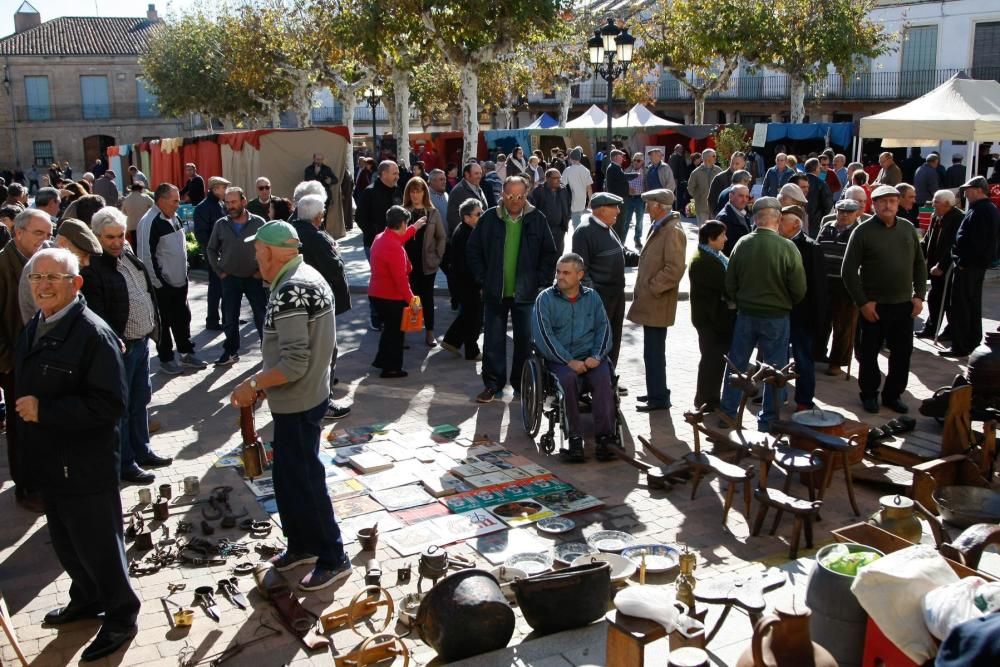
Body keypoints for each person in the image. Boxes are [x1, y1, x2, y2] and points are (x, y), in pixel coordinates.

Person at [16, 247, 141, 661]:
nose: (44, 285)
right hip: (52, 461)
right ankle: (86, 600)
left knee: (99, 547)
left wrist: (44, 410)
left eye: (54, 278)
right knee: (68, 543)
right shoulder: (38, 323)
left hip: (85, 466)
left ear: (76, 284)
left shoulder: (93, 333)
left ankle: (122, 615)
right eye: (37, 278)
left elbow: (110, 405)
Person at [230, 221, 352, 591]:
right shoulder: (302, 275)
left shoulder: (291, 287)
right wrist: (269, 383)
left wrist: (253, 383)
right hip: (302, 397)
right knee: (288, 480)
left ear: (272, 252)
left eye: (258, 250)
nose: (255, 256)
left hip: (300, 401)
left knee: (304, 482)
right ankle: (301, 547)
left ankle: (333, 557)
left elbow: (296, 361)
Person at [85, 208, 171, 485]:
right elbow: (97, 313)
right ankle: (125, 463)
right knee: (121, 407)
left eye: (120, 235)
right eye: (109, 237)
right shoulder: (93, 268)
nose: (116, 241)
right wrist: (114, 343)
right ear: (97, 236)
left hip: (142, 342)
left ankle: (141, 451)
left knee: (140, 401)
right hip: (120, 348)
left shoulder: (128, 257)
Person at [467, 176, 558, 403]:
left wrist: (540, 281)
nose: (515, 200)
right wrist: (482, 278)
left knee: (525, 341)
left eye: (520, 195)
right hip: (495, 292)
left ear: (526, 195)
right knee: (492, 341)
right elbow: (473, 250)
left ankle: (521, 384)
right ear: (502, 195)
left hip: (526, 293)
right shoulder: (489, 218)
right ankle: (492, 385)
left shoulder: (537, 219)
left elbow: (549, 253)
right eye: (510, 195)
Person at [719, 197, 806, 431]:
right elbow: (799, 288)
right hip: (776, 316)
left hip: (746, 314)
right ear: (778, 219)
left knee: (737, 364)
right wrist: (784, 302)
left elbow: (730, 282)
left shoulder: (742, 244)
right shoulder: (787, 247)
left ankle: (727, 411)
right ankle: (769, 419)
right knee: (775, 369)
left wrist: (740, 301)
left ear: (755, 219)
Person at [842, 185, 927, 414]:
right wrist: (862, 302)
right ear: (874, 204)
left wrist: (919, 296)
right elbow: (848, 271)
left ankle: (893, 395)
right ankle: (869, 394)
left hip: (903, 305)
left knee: (902, 354)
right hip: (874, 306)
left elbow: (920, 264)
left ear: (898, 203)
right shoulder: (863, 232)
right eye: (883, 201)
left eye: (892, 201)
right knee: (868, 354)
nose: (888, 205)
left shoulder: (908, 229)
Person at [532, 253, 616, 463]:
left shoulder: (592, 298)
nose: (560, 276)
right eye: (558, 271)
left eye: (566, 273)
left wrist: (596, 356)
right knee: (567, 381)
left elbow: (604, 329)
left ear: (579, 275)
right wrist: (569, 360)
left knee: (604, 379)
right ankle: (574, 438)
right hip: (560, 360)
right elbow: (544, 336)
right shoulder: (545, 299)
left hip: (591, 357)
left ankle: (605, 438)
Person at [1, 208, 53, 511]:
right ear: (17, 232)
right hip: (16, 364)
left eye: (47, 234)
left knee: (40, 425)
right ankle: (27, 489)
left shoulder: (41, 260)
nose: (44, 240)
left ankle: (42, 482)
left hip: (41, 360)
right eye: (38, 233)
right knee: (22, 431)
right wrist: (7, 362)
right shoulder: (3, 265)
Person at [626, 190, 688, 413]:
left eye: (649, 204)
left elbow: (675, 269)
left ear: (659, 206)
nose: (646, 208)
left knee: (654, 352)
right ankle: (656, 392)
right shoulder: (662, 225)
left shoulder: (672, 230)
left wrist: (653, 287)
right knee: (651, 352)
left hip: (658, 301)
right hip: (653, 300)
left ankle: (659, 397)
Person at [137, 184, 208, 375]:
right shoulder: (149, 222)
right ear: (161, 200)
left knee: (182, 318)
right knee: (163, 322)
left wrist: (184, 272)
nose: (179, 204)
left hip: (180, 282)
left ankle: (186, 353)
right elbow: (145, 257)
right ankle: (166, 359)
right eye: (175, 200)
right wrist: (159, 284)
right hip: (162, 286)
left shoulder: (174, 217)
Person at [572, 192, 640, 369]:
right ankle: (596, 382)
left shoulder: (607, 226)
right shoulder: (584, 231)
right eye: (614, 207)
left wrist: (642, 257)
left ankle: (610, 377)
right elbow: (580, 270)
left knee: (614, 338)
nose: (618, 211)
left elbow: (622, 252)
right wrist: (593, 297)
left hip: (616, 294)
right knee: (599, 341)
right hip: (601, 297)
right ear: (601, 210)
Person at [207, 187, 267, 366]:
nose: (230, 206)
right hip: (230, 278)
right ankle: (230, 351)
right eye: (227, 202)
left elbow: (268, 249)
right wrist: (220, 272)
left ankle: (269, 351)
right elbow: (211, 249)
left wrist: (261, 272)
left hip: (253, 278)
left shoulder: (259, 223)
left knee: (261, 315)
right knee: (229, 317)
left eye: (233, 202)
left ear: (243, 201)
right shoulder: (221, 224)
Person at [942, 177, 1000, 357]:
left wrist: (964, 262)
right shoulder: (983, 209)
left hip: (970, 265)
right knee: (970, 304)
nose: (965, 193)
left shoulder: (983, 210)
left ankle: (962, 344)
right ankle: (970, 341)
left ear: (978, 190)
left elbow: (979, 241)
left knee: (963, 305)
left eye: (968, 189)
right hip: (974, 264)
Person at [778, 205, 827, 410]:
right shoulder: (777, 243)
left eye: (782, 221)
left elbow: (818, 287)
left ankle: (804, 400)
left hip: (802, 315)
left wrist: (819, 319)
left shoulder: (811, 247)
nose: (778, 225)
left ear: (796, 224)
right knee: (777, 359)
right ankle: (775, 396)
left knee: (802, 359)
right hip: (779, 313)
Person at [368, 206, 424, 378]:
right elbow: (401, 281)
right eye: (406, 224)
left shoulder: (381, 237)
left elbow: (400, 236)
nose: (407, 226)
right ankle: (391, 368)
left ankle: (382, 361)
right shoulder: (394, 247)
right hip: (390, 297)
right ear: (401, 223)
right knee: (395, 334)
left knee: (389, 331)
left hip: (377, 294)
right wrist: (413, 301)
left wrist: (415, 227)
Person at [688, 221, 735, 411]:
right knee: (711, 361)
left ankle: (710, 397)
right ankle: (705, 400)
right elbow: (727, 287)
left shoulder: (714, 256)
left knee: (715, 360)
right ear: (711, 238)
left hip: (714, 318)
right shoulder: (704, 261)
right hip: (711, 320)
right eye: (722, 235)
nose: (726, 239)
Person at [816, 199, 863, 377]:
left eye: (848, 212)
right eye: (841, 211)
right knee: (821, 322)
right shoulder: (827, 226)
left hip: (846, 285)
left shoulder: (859, 231)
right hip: (825, 282)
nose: (844, 215)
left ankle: (837, 362)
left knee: (843, 326)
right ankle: (818, 354)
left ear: (856, 213)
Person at [356, 161, 402, 330]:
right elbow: (360, 218)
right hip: (374, 245)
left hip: (397, 244)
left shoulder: (398, 191)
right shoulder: (369, 192)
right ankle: (376, 315)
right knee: (379, 279)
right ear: (383, 174)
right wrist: (376, 234)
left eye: (397, 173)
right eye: (394, 173)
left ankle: (389, 313)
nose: (397, 176)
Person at [402, 177, 447, 347]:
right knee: (407, 297)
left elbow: (441, 236)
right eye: (412, 191)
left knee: (427, 298)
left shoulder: (432, 212)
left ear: (424, 193)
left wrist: (437, 256)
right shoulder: (404, 211)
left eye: (418, 191)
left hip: (427, 263)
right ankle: (404, 333)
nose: (415, 195)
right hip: (407, 263)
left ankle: (429, 332)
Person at [917, 190, 964, 340]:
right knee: (934, 298)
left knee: (949, 300)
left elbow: (954, 245)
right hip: (934, 265)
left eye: (936, 202)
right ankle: (931, 327)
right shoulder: (935, 216)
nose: (933, 205)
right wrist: (917, 254)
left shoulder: (958, 218)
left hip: (948, 267)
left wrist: (942, 265)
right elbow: (928, 239)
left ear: (947, 204)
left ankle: (951, 330)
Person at [441, 199, 484, 361]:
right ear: (467, 217)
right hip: (467, 282)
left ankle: (451, 341)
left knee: (468, 314)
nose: (481, 216)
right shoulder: (466, 234)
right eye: (478, 214)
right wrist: (479, 282)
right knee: (474, 317)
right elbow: (469, 263)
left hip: (464, 281)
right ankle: (471, 350)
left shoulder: (467, 230)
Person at [193, 176, 230, 331]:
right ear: (215, 188)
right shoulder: (203, 207)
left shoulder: (220, 205)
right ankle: (213, 320)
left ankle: (228, 318)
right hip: (214, 254)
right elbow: (201, 234)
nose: (226, 191)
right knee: (216, 287)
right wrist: (214, 251)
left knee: (225, 287)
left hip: (223, 252)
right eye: (224, 187)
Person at [530, 168, 572, 256]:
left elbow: (568, 205)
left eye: (560, 177)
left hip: (560, 229)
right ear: (547, 178)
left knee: (559, 252)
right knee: (546, 254)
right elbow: (533, 210)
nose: (559, 180)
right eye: (555, 177)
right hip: (545, 230)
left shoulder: (563, 190)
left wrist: (567, 219)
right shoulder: (539, 191)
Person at [446, 162, 487, 238]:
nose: (479, 176)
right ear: (467, 174)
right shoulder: (458, 191)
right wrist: (468, 235)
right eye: (476, 173)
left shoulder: (478, 188)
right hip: (466, 239)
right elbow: (452, 218)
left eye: (480, 173)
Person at [688, 148, 722, 224]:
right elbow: (690, 188)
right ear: (707, 158)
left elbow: (723, 186)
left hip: (715, 207)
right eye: (714, 156)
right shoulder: (696, 172)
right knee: (703, 231)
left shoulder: (719, 171)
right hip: (702, 207)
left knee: (715, 231)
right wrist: (698, 197)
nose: (715, 158)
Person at [716, 184, 752, 256]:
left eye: (747, 197)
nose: (744, 200)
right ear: (731, 196)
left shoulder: (743, 213)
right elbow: (724, 248)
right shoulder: (724, 218)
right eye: (741, 196)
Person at [708, 151, 746, 218]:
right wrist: (716, 216)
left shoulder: (746, 177)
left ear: (744, 164)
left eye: (737, 164)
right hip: (724, 217)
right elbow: (712, 200)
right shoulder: (720, 178)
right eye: (732, 163)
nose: (734, 166)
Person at [563, 147, 593, 227]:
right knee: (577, 219)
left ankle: (578, 238)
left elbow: (562, 185)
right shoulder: (586, 170)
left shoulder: (568, 170)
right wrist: (590, 200)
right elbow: (589, 187)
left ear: (571, 158)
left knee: (575, 223)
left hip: (572, 199)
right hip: (582, 199)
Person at [804, 158, 834, 237]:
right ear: (816, 168)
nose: (820, 169)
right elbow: (828, 205)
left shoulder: (796, 180)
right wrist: (821, 217)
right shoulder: (821, 183)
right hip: (815, 222)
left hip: (797, 219)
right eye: (819, 167)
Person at [603, 150, 630, 238]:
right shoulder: (613, 168)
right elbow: (623, 177)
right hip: (618, 200)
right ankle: (618, 244)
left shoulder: (616, 167)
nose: (622, 158)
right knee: (619, 223)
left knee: (619, 223)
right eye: (621, 156)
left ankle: (618, 243)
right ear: (615, 157)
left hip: (618, 199)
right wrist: (636, 175)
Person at [120, 182, 154, 249]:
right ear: (141, 189)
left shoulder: (126, 199)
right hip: (144, 224)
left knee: (135, 245)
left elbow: (123, 212)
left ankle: (136, 258)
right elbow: (155, 207)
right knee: (145, 244)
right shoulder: (145, 197)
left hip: (131, 226)